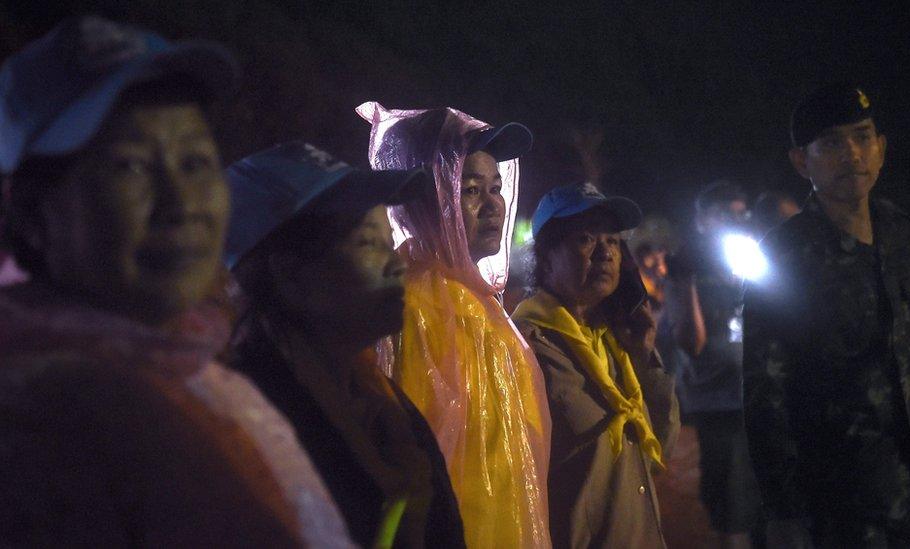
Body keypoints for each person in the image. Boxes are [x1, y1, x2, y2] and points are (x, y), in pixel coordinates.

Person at [0, 17, 352, 546]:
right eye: (131, 168)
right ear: (30, 214)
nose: (182, 204)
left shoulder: (185, 369)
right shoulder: (38, 429)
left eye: (195, 161)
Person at [225, 141, 466, 548]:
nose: (398, 263)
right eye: (368, 243)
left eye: (390, 241)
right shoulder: (251, 422)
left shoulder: (379, 398)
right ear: (290, 276)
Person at [743, 83, 910, 547]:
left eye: (862, 136)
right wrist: (781, 509)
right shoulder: (783, 254)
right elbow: (764, 391)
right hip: (835, 500)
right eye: (832, 142)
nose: (852, 153)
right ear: (802, 161)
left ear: (881, 148)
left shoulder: (902, 234)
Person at [358, 102, 551, 548]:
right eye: (469, 190)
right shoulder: (411, 307)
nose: (492, 207)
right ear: (429, 198)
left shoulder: (483, 304)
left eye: (496, 188)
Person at [512, 183, 680, 548]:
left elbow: (661, 445)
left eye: (614, 242)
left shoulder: (618, 340)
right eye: (586, 239)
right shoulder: (523, 347)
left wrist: (644, 358)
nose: (605, 253)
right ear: (545, 257)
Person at [664, 180, 763, 548]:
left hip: (757, 394)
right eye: (723, 214)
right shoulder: (687, 267)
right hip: (719, 402)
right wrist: (686, 280)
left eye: (739, 214)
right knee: (733, 504)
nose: (733, 221)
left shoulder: (747, 257)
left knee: (767, 500)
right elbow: (691, 342)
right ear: (702, 219)